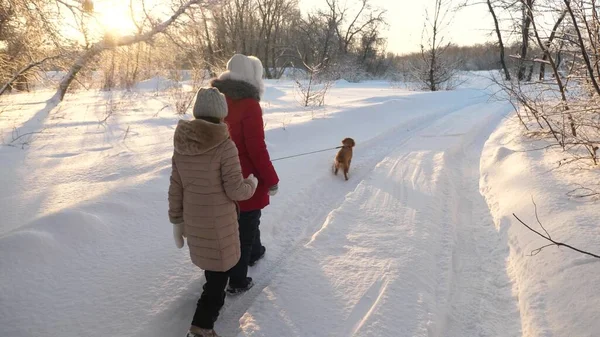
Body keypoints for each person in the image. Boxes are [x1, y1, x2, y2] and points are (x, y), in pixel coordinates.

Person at [168, 87, 258, 337]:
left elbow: (176, 186)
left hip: (195, 223)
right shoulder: (225, 146)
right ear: (221, 114)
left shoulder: (182, 145)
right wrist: (252, 182)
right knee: (219, 279)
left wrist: (177, 220)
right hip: (219, 225)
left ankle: (203, 323)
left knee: (213, 268)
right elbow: (236, 190)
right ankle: (201, 328)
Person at [210, 54, 279, 294]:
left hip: (219, 173)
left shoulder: (216, 99)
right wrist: (271, 179)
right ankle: (237, 279)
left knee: (241, 220)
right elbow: (256, 148)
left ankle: (256, 251)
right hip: (245, 176)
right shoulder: (249, 104)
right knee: (246, 224)